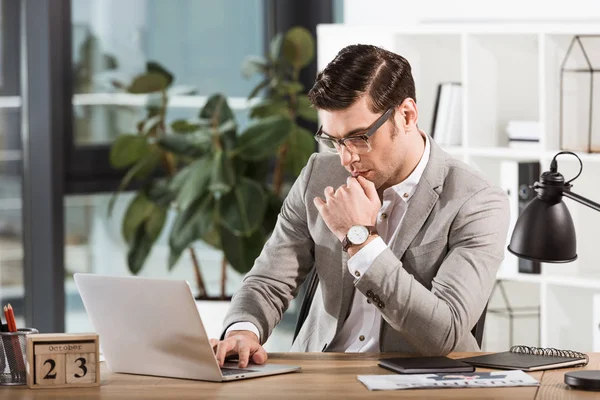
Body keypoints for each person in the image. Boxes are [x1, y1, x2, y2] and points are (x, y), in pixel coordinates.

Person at [210, 44, 509, 368]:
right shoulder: (319, 175)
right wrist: (243, 331)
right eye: (334, 140)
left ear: (406, 115)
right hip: (318, 377)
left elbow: (445, 333)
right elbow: (269, 280)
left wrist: (361, 241)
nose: (346, 158)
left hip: (414, 384)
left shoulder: (476, 201)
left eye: (358, 137)